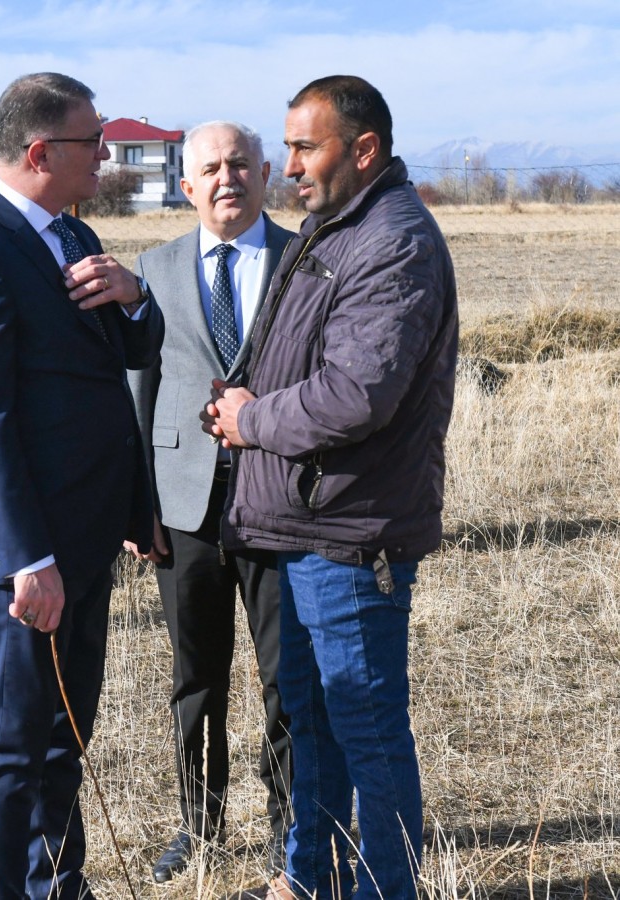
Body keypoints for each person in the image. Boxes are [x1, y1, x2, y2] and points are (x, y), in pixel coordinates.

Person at [205, 75, 457, 900]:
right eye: (287, 147)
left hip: (353, 538)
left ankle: (385, 889)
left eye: (305, 147)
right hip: (307, 526)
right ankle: (309, 878)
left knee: (368, 734)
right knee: (313, 726)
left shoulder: (394, 240)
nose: (289, 166)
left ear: (364, 150)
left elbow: (357, 393)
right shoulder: (335, 228)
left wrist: (252, 421)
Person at [0, 72, 165, 900]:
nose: (104, 153)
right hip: (22, 550)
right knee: (14, 734)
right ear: (38, 152)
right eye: (90, 141)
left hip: (88, 536)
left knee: (67, 730)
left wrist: (136, 296)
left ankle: (56, 884)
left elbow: (124, 359)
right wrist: (29, 558)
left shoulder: (73, 234)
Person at [124, 120, 294, 882]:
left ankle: (294, 828)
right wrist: (138, 502)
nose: (226, 178)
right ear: (186, 186)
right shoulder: (152, 269)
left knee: (289, 678)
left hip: (283, 504)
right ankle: (200, 826)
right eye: (210, 169)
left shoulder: (305, 261)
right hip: (182, 508)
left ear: (265, 174)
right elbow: (139, 387)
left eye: (239, 164)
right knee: (196, 678)